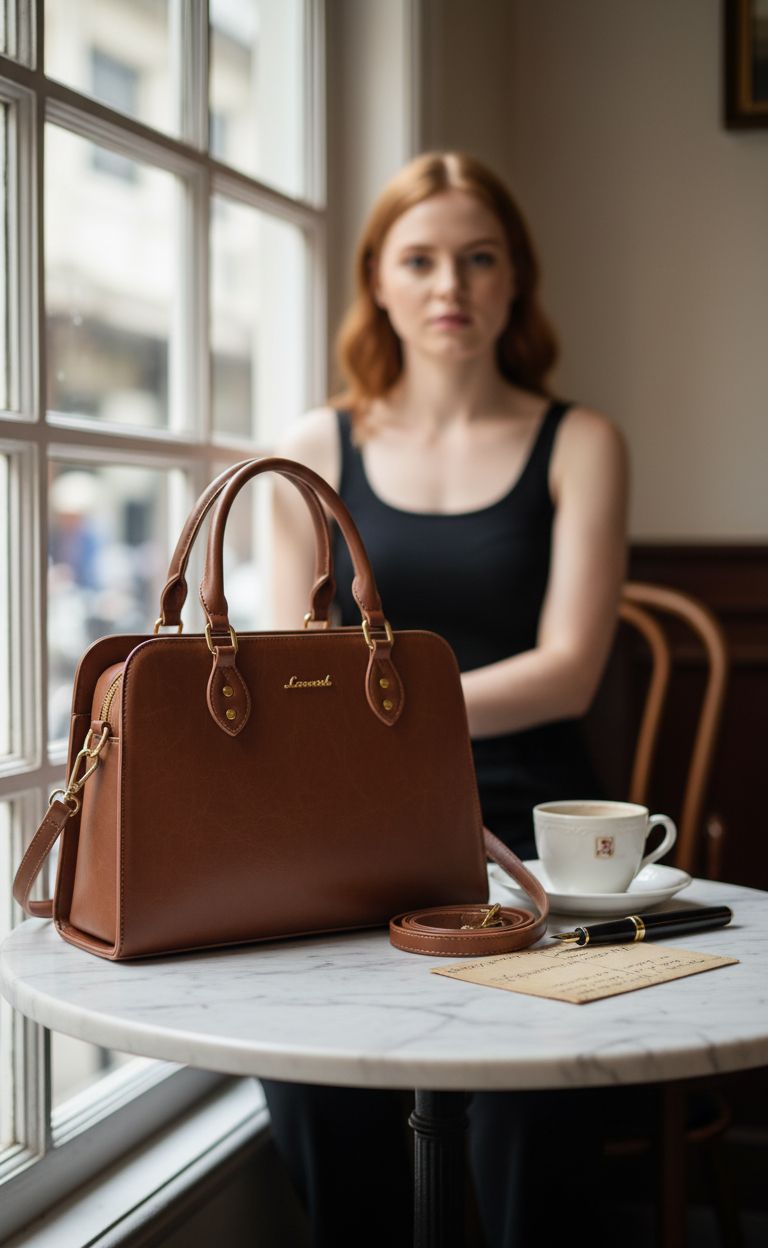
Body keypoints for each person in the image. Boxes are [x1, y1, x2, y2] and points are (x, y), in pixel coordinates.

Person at [262, 151, 628, 1248]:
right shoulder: (309, 448)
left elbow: (570, 667)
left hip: (530, 817)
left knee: (532, 1102)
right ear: (376, 278)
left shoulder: (581, 441)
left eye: (479, 259)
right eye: (419, 260)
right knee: (315, 1075)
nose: (449, 286)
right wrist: (394, 775)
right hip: (356, 822)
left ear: (515, 280)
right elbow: (293, 677)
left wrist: (398, 728)